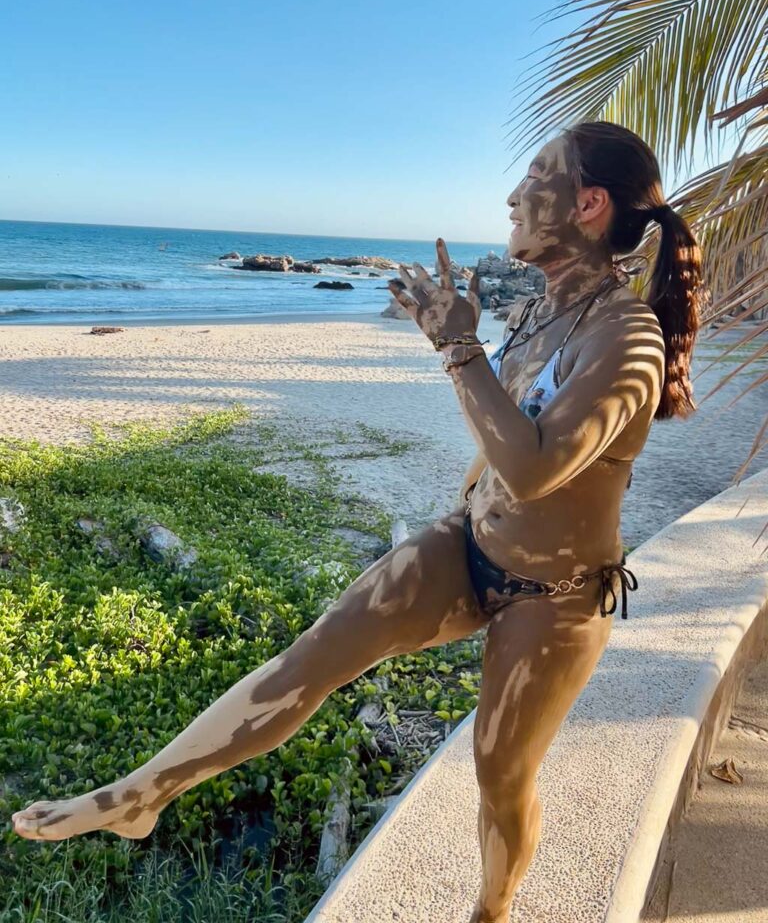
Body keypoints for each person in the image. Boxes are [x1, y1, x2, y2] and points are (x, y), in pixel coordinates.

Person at [12, 120, 705, 923]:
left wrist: (458, 348)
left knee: (500, 775)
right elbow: (502, 442)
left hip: (556, 595)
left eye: (536, 176)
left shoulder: (630, 336)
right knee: (316, 653)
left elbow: (537, 465)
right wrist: (465, 485)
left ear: (588, 203)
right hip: (471, 545)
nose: (514, 194)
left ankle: (493, 911)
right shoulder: (544, 314)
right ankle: (141, 794)